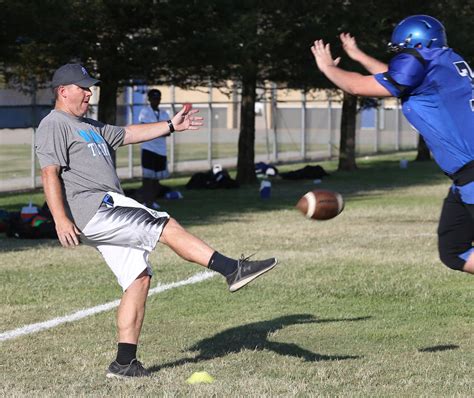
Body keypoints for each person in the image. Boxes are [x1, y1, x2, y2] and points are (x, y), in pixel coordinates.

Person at [34, 63, 278, 379]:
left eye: (89, 86)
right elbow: (49, 172)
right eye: (82, 87)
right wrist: (60, 218)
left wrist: (170, 126)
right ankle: (232, 269)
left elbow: (127, 133)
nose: (89, 92)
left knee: (138, 278)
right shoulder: (54, 124)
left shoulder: (89, 125)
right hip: (98, 207)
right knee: (164, 224)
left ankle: (124, 363)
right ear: (62, 90)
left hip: (102, 210)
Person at [311, 15, 474, 275]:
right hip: (463, 178)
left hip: (472, 175)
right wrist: (358, 55)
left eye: (404, 51)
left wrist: (327, 68)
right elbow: (393, 77)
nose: (402, 57)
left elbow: (356, 86)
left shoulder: (424, 63)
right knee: (453, 251)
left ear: (417, 45)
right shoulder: (441, 61)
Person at [137, 89, 171, 209]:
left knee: (157, 179)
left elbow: (168, 132)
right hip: (148, 149)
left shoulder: (164, 113)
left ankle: (153, 200)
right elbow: (144, 129)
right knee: (147, 178)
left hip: (161, 150)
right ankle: (146, 202)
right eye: (153, 98)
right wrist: (160, 130)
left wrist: (155, 130)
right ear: (149, 99)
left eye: (158, 98)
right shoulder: (145, 112)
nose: (156, 101)